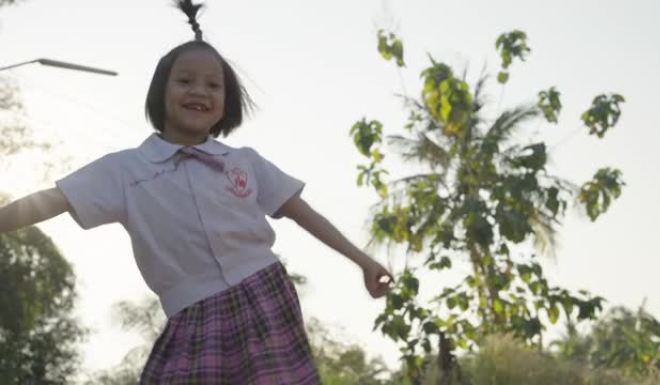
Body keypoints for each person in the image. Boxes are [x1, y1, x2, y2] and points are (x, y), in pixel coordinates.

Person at [0, 1, 394, 383]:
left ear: (226, 103)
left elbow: (302, 212)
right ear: (161, 91)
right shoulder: (124, 170)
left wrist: (362, 261)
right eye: (185, 81)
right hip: (190, 314)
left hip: (264, 297)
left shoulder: (243, 162)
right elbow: (50, 201)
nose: (199, 92)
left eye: (213, 85)